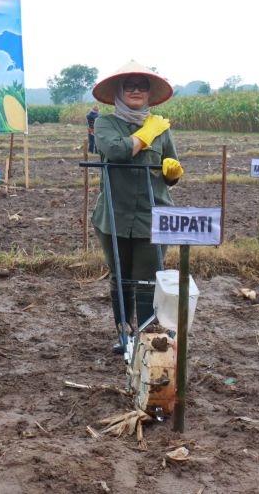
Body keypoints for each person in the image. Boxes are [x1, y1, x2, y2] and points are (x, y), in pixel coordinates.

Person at [89, 61, 182, 353]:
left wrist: (172, 173)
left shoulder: (162, 128)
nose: (135, 91)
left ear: (150, 93)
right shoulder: (105, 123)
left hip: (151, 214)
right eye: (128, 85)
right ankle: (123, 334)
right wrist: (145, 134)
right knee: (120, 274)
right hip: (114, 214)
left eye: (141, 86)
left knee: (146, 277)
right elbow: (116, 150)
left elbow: (171, 167)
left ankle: (145, 335)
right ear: (118, 91)